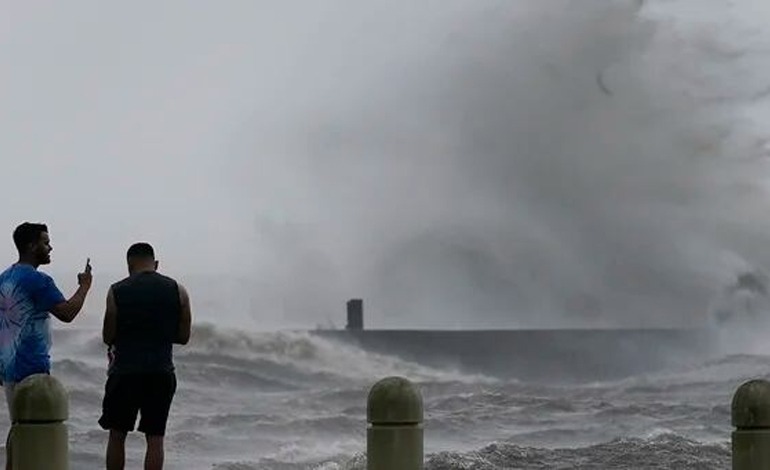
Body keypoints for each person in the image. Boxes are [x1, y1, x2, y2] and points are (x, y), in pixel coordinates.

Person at [0, 222, 92, 468]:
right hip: (32, 368)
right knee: (35, 438)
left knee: (19, 434)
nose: (50, 247)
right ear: (31, 246)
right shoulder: (37, 280)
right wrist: (84, 286)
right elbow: (67, 312)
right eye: (45, 242)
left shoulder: (5, 277)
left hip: (9, 369)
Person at [99, 242, 191, 470]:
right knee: (155, 438)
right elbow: (183, 337)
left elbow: (107, 336)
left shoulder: (116, 290)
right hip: (161, 372)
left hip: (125, 372)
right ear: (156, 264)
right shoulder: (178, 290)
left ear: (129, 265)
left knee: (117, 435)